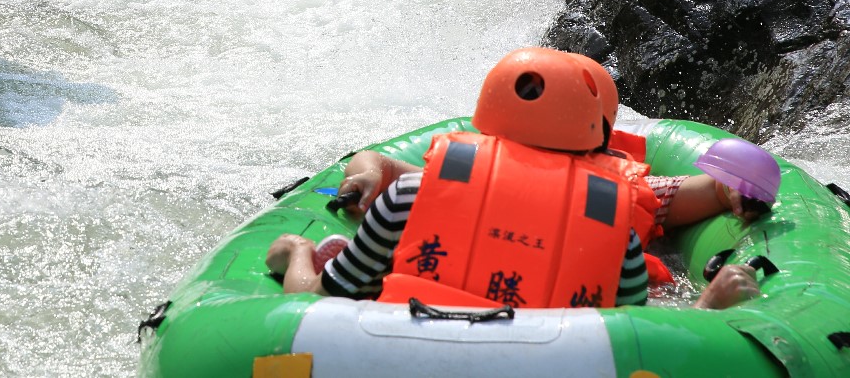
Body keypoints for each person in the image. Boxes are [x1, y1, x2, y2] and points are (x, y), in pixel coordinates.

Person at [301, 50, 769, 309]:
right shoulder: (613, 223)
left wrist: (296, 254)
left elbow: (316, 304)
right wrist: (704, 313)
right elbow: (632, 337)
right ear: (601, 140)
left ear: (486, 119)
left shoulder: (414, 194)